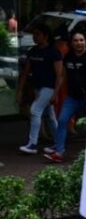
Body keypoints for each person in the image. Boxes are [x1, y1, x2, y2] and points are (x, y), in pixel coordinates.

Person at [44, 30, 86, 163]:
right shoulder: (68, 56)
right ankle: (59, 152)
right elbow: (62, 76)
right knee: (62, 120)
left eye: (81, 40)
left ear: (85, 41)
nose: (79, 43)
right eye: (75, 40)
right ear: (71, 43)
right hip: (72, 98)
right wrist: (55, 94)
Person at [17, 24, 63, 154]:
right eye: (34, 34)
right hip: (38, 87)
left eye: (37, 34)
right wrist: (20, 90)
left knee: (35, 111)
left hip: (49, 88)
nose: (34, 37)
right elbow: (26, 72)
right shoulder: (33, 51)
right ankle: (58, 143)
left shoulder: (54, 52)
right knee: (50, 116)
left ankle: (32, 144)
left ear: (45, 36)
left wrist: (55, 93)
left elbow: (59, 75)